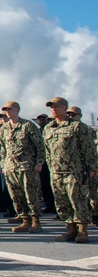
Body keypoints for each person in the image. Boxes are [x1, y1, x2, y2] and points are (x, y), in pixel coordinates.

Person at [42, 97, 95, 243]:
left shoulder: (76, 126)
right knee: (61, 202)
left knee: (77, 200)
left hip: (74, 170)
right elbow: (47, 151)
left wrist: (92, 167)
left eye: (56, 106)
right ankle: (71, 229)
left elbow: (88, 148)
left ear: (65, 108)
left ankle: (82, 230)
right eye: (51, 107)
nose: (53, 109)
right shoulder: (48, 128)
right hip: (56, 171)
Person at [0, 101, 44, 233]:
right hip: (10, 167)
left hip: (26, 166)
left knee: (30, 194)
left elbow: (39, 145)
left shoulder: (27, 125)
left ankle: (35, 221)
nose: (7, 112)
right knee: (16, 196)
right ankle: (25, 220)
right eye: (6, 110)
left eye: (10, 109)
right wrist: (2, 164)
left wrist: (39, 163)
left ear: (17, 110)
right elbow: (2, 148)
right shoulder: (4, 129)